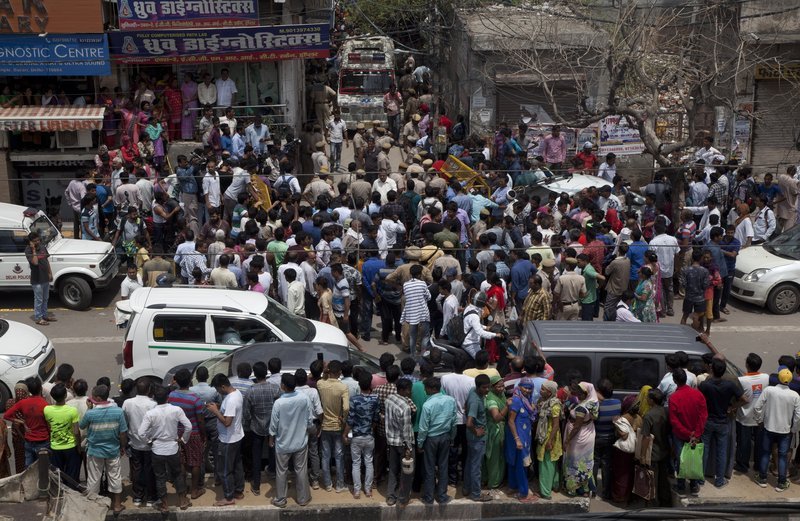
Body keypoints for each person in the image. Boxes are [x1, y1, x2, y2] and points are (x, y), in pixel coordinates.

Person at [139, 385, 192, 513]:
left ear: (154, 398)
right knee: (178, 474)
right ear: (168, 398)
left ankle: (164, 505)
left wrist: (149, 442)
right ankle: (183, 501)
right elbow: (188, 427)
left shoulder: (150, 413)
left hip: (157, 449)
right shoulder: (176, 410)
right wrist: (183, 440)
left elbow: (141, 433)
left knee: (160, 477)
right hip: (173, 448)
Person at [80, 385, 127, 515]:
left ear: (98, 398)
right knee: (115, 476)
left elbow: (82, 425)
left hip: (95, 451)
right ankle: (117, 505)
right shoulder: (118, 411)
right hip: (113, 450)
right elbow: (123, 433)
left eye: (93, 396)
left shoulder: (90, 413)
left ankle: (93, 507)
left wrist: (89, 408)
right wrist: (123, 447)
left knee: (94, 479)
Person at [269, 373, 314, 508]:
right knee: (301, 470)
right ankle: (303, 498)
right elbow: (310, 420)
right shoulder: (304, 398)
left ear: (283, 386)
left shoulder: (279, 403)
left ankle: (281, 499)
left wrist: (271, 439)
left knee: (281, 471)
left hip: (283, 444)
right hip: (300, 442)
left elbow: (273, 425)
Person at [753, 368, 800, 492]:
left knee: (765, 452)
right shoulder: (794, 395)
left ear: (779, 378)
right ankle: (781, 483)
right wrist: (794, 429)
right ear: (790, 381)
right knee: (783, 456)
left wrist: (759, 420)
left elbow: (757, 407)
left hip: (768, 428)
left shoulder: (769, 390)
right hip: (785, 431)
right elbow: (798, 415)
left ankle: (762, 479)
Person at [169, 369, 207, 500]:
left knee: (182, 462)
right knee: (196, 462)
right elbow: (200, 420)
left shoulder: (171, 396)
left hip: (177, 433)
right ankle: (195, 491)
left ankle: (183, 488)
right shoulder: (195, 399)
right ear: (190, 381)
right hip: (193, 433)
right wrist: (203, 435)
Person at [207, 374, 245, 506]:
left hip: (228, 439)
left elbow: (227, 422)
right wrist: (219, 406)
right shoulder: (236, 393)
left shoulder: (231, 400)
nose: (217, 391)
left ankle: (229, 498)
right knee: (237, 465)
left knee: (224, 470)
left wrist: (215, 411)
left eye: (218, 389)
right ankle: (239, 491)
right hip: (237, 436)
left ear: (223, 386)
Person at [418, 376, 457, 505]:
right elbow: (453, 421)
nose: (425, 391)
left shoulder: (427, 405)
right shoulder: (450, 400)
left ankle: (429, 497)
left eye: (425, 389)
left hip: (431, 439)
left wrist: (420, 443)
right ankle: (442, 496)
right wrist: (452, 437)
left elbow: (423, 428)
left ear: (431, 388)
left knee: (429, 468)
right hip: (445, 436)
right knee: (443, 466)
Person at [668, 369, 707, 496]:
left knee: (681, 460)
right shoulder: (698, 395)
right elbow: (703, 416)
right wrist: (696, 434)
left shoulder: (673, 398)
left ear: (675, 381)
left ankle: (680, 486)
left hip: (680, 436)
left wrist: (687, 433)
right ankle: (694, 485)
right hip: (695, 435)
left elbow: (674, 421)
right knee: (694, 459)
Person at [343, 372, 379, 499]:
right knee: (369, 462)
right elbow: (376, 418)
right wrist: (370, 429)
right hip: (369, 436)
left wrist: (345, 434)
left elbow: (350, 420)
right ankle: (368, 490)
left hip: (357, 437)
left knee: (356, 463)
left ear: (359, 384)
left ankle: (357, 491)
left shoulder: (354, 400)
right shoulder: (375, 399)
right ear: (370, 384)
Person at [122, 379, 158, 507]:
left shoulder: (127, 402)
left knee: (137, 469)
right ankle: (151, 497)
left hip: (134, 442)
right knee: (149, 470)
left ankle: (138, 496)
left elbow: (124, 422)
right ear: (149, 390)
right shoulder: (153, 404)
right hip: (149, 444)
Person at [316, 359, 349, 493]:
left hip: (325, 426)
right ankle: (340, 485)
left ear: (328, 371)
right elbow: (346, 407)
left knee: (325, 455)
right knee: (339, 456)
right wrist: (343, 419)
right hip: (337, 425)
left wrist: (325, 373)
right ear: (340, 372)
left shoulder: (321, 384)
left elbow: (321, 379)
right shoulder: (342, 387)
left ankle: (328, 484)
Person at [735, 353, 769, 474]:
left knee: (744, 443)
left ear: (747, 365)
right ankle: (758, 465)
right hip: (760, 417)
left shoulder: (741, 380)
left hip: (744, 417)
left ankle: (743, 465)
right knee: (760, 443)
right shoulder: (766, 377)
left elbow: (739, 397)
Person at [3, 377, 49, 467]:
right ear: (40, 389)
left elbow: (6, 415)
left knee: (29, 467)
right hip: (42, 441)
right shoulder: (44, 404)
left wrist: (22, 422)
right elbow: (48, 423)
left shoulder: (22, 403)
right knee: (42, 467)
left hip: (28, 441)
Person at [564, 381, 599, 497]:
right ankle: (587, 489)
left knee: (576, 463)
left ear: (586, 393)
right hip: (588, 433)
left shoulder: (582, 408)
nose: (578, 394)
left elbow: (576, 427)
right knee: (585, 463)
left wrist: (567, 440)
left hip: (579, 438)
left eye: (581, 393)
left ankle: (576, 489)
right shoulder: (592, 402)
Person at [384, 377, 416, 507]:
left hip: (391, 441)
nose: (410, 392)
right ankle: (402, 498)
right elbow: (406, 430)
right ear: (403, 390)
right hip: (403, 443)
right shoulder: (405, 407)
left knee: (393, 469)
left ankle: (391, 496)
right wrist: (409, 447)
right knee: (407, 472)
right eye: (409, 390)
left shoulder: (389, 399)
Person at [43, 383, 81, 485]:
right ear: (65, 396)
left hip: (55, 447)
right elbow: (76, 432)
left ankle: (61, 494)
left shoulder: (47, 410)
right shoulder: (72, 411)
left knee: (59, 474)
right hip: (71, 447)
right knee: (72, 474)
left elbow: (49, 426)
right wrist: (78, 446)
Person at [505, 378, 536, 502]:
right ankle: (523, 493)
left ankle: (513, 486)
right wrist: (517, 439)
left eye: (529, 388)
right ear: (519, 386)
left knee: (515, 461)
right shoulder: (517, 400)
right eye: (525, 387)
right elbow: (511, 421)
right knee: (521, 464)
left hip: (524, 435)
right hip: (518, 436)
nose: (527, 390)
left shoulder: (527, 400)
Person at [639, 387, 671, 506]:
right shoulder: (666, 411)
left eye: (648, 397)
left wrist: (642, 455)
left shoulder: (649, 416)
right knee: (663, 479)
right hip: (664, 451)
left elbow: (646, 437)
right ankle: (665, 503)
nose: (646, 399)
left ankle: (653, 505)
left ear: (652, 400)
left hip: (653, 454)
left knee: (652, 480)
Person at [464, 374, 493, 502]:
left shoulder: (473, 391)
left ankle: (466, 488)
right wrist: (476, 431)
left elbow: (465, 407)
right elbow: (469, 422)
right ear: (478, 387)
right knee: (476, 467)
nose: (487, 390)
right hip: (477, 439)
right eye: (484, 388)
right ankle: (476, 494)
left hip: (471, 438)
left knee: (470, 463)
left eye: (488, 387)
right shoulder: (475, 401)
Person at [610, 395, 641, 504]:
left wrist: (615, 424)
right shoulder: (639, 418)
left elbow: (623, 436)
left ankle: (619, 497)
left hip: (622, 451)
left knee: (620, 474)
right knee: (630, 473)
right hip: (634, 450)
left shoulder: (622, 418)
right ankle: (628, 496)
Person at [536, 380, 562, 500]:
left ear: (549, 392)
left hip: (549, 436)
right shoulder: (543, 402)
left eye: (542, 389)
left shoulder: (554, 405)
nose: (540, 391)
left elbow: (556, 425)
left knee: (546, 464)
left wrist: (550, 441)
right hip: (545, 434)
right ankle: (555, 485)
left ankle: (545, 492)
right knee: (552, 462)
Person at [482, 375, 508, 490]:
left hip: (502, 428)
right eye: (498, 387)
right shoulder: (491, 399)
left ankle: (494, 479)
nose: (501, 389)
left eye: (503, 386)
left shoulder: (501, 395)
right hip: (495, 430)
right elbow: (496, 417)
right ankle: (493, 482)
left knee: (500, 456)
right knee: (494, 458)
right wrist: (507, 407)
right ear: (492, 387)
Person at [25, 232, 53, 325]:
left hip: (45, 277)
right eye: (35, 241)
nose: (37, 242)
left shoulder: (42, 247)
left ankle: (44, 315)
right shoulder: (28, 250)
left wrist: (50, 273)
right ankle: (38, 318)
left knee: (45, 298)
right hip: (37, 279)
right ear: (30, 242)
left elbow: (46, 261)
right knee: (39, 299)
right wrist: (33, 249)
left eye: (38, 240)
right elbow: (35, 262)